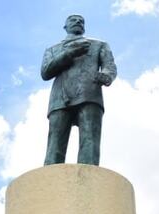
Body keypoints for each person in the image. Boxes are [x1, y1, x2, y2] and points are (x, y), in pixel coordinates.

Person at [41, 14, 116, 166]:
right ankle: (50, 181)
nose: (77, 22)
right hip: (60, 99)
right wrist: (69, 53)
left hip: (89, 94)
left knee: (90, 142)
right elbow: (46, 72)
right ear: (65, 26)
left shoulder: (98, 45)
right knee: (55, 144)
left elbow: (110, 66)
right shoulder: (53, 50)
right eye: (73, 20)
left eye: (81, 21)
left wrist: (106, 76)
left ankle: (88, 180)